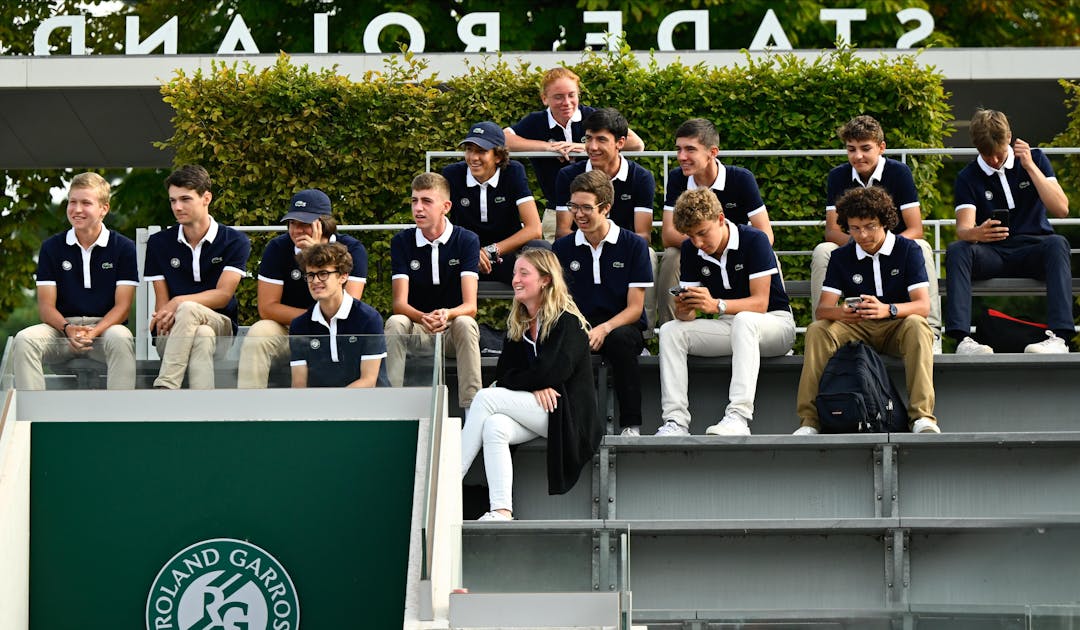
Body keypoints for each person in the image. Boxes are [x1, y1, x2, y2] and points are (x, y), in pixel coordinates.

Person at [460, 248, 601, 520]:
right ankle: (501, 510)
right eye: (514, 273)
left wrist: (536, 379)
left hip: (570, 418)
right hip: (541, 409)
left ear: (545, 280)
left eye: (524, 273)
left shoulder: (567, 322)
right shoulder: (521, 325)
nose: (515, 280)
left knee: (485, 398)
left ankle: (451, 477)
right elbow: (505, 374)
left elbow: (550, 373)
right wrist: (535, 383)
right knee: (495, 426)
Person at [793, 186, 939, 435]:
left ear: (885, 222)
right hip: (856, 327)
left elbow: (923, 306)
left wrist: (888, 309)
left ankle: (922, 417)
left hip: (897, 326)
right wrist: (842, 313)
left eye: (870, 226)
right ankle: (810, 421)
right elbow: (823, 309)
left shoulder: (908, 249)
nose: (862, 234)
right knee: (818, 330)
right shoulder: (841, 256)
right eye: (855, 228)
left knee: (918, 325)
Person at [655, 187, 795, 436]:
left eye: (702, 233)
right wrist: (685, 309)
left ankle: (738, 417)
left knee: (744, 320)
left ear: (720, 219)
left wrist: (717, 304)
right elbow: (688, 316)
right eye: (690, 235)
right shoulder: (690, 249)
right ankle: (675, 422)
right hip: (731, 326)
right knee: (670, 331)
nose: (698, 243)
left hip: (775, 324)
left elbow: (761, 303)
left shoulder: (755, 239)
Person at [945, 108, 1072, 355]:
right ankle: (963, 340)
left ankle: (1060, 338)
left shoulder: (1036, 159)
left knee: (1058, 243)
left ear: (1010, 137)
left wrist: (1031, 167)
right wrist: (976, 233)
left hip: (1034, 250)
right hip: (992, 253)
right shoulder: (968, 176)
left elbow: (1061, 209)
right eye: (986, 154)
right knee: (958, 250)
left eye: (998, 153)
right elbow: (963, 228)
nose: (993, 160)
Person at [810, 115, 941, 342]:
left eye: (865, 148)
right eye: (851, 149)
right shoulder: (837, 176)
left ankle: (931, 331)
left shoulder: (899, 172)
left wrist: (885, 245)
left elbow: (915, 228)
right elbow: (832, 231)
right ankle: (824, 331)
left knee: (921, 246)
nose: (858, 156)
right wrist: (862, 244)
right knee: (823, 249)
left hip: (895, 249)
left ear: (881, 148)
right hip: (855, 246)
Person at [13, 172, 138, 390]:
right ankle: (33, 419)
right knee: (24, 340)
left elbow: (123, 307)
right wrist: (68, 328)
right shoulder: (52, 247)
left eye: (86, 203)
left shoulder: (124, 248)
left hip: (105, 330)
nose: (77, 209)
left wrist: (95, 331)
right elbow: (45, 307)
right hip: (62, 331)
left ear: (104, 209)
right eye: (72, 202)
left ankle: (120, 417)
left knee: (121, 338)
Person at [553, 170, 653, 436]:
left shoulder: (633, 245)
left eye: (587, 207)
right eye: (574, 206)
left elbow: (635, 308)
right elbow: (559, 302)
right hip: (579, 325)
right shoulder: (562, 248)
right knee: (561, 339)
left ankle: (631, 425)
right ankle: (572, 427)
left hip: (620, 325)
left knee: (620, 340)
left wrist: (605, 328)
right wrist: (581, 329)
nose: (579, 214)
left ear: (606, 208)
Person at [237, 189, 368, 388]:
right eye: (292, 223)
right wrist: (309, 321)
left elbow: (347, 308)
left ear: (324, 224)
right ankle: (249, 412)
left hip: (338, 330)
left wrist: (317, 255)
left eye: (305, 224)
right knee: (258, 333)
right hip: (291, 328)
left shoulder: (352, 248)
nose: (297, 230)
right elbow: (267, 308)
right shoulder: (277, 248)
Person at [656, 118, 773, 328]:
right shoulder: (676, 179)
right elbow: (668, 235)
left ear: (713, 152)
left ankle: (772, 326)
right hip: (696, 255)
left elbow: (765, 234)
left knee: (768, 257)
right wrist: (704, 241)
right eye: (678, 149)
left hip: (741, 254)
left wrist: (728, 245)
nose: (681, 157)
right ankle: (673, 329)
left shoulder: (741, 178)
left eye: (690, 150)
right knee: (672, 257)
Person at [144, 165, 251, 389]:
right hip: (172, 330)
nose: (177, 207)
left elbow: (223, 296)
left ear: (206, 198)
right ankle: (204, 410)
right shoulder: (158, 243)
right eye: (173, 201)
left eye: (185, 199)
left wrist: (180, 301)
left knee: (188, 308)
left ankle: (165, 386)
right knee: (201, 335)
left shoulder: (234, 241)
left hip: (221, 328)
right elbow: (162, 305)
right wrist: (171, 314)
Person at [503, 67, 644, 236]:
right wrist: (548, 147)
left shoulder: (592, 116)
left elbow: (637, 144)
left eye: (572, 95)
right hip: (556, 209)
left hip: (596, 207)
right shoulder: (536, 121)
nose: (566, 102)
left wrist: (583, 147)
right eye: (558, 97)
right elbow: (503, 139)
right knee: (551, 259)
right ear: (544, 99)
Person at [385, 173, 482, 409]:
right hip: (417, 330)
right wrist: (423, 318)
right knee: (396, 321)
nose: (418, 208)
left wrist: (446, 315)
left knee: (466, 323)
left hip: (451, 330)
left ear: (445, 207)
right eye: (414, 201)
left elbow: (471, 306)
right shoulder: (401, 241)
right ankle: (388, 405)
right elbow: (399, 303)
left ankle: (473, 409)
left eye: (426, 201)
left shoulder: (467, 240)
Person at [442, 121, 547, 285]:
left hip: (505, 258)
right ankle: (443, 311)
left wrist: (489, 251)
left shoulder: (513, 171)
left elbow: (534, 229)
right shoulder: (452, 174)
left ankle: (537, 311)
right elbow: (436, 222)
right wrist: (470, 252)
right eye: (469, 149)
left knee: (540, 248)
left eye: (481, 151)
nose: (473, 157)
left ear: (498, 156)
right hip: (464, 258)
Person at [289, 242, 387, 388]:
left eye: (323, 274)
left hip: (368, 405)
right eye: (310, 275)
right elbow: (299, 384)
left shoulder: (368, 319)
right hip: (320, 407)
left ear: (343, 276)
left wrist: (332, 405)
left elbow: (369, 381)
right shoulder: (299, 325)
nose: (315, 281)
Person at [553, 108, 654, 241]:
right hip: (580, 251)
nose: (592, 147)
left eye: (601, 140)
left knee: (649, 254)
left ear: (620, 143)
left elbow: (643, 235)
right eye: (588, 138)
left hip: (626, 252)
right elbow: (563, 231)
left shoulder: (641, 177)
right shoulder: (568, 175)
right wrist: (594, 247)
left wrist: (608, 248)